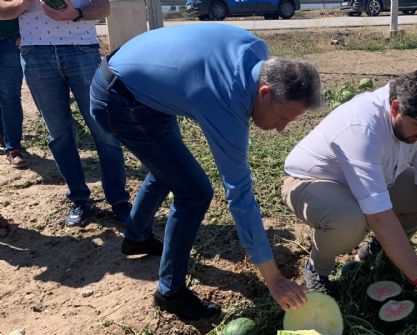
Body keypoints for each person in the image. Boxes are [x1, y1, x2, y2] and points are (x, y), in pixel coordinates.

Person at [89, 24, 323, 320]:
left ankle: (136, 236)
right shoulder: (226, 99)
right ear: (264, 92)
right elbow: (240, 195)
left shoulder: (257, 52)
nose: (280, 129)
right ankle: (169, 291)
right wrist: (274, 279)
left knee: (169, 167)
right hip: (118, 99)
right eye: (281, 118)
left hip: (139, 87)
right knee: (194, 192)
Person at [282, 69, 417, 310]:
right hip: (311, 181)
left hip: (373, 178)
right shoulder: (362, 127)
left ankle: (380, 251)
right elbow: (379, 217)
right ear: (394, 108)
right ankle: (318, 268)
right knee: (350, 220)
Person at [16, 0, 131, 226]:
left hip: (82, 49)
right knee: (58, 134)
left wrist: (75, 14)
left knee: (105, 129)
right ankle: (79, 199)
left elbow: (103, 7)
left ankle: (119, 201)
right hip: (35, 53)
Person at [0, 18, 28, 168]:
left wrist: (26, 33)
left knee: (10, 97)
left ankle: (13, 149)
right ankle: (3, 136)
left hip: (10, 39)